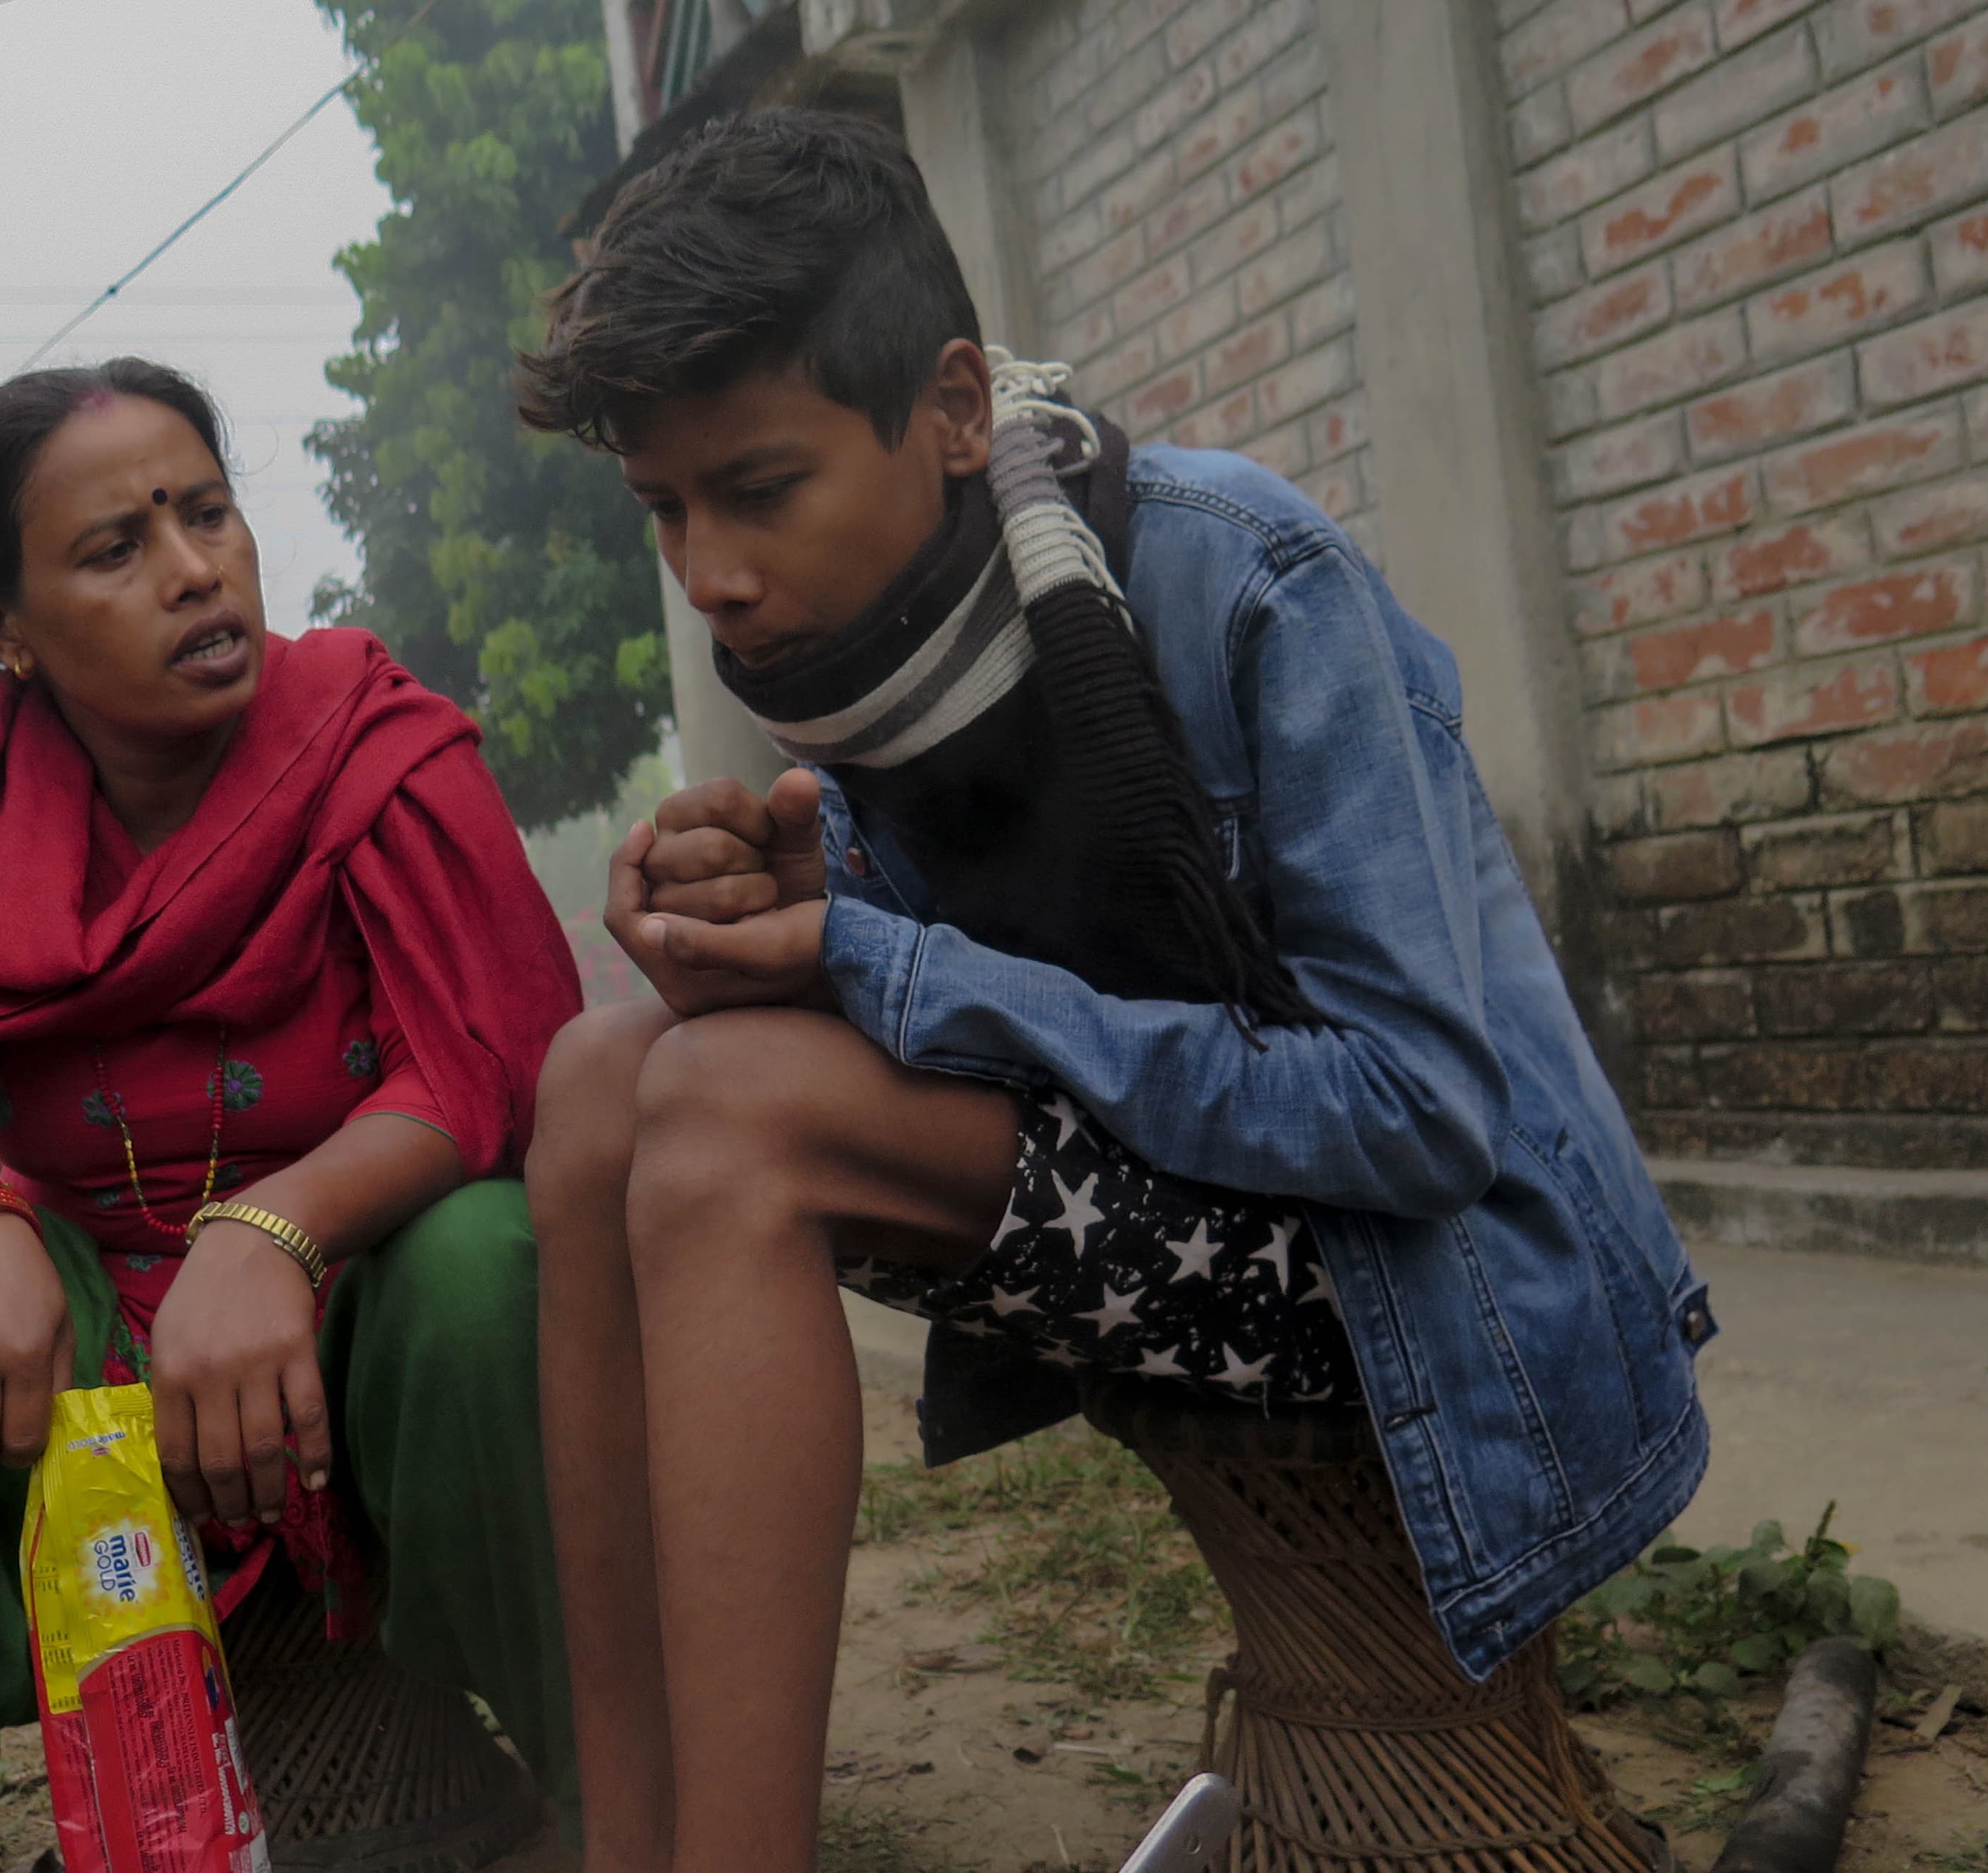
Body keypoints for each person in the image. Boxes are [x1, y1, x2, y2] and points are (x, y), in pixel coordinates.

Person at [516, 109, 1716, 1873]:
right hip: (1210, 1203)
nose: (711, 575)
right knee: (594, 1089)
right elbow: (1049, 955)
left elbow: (1418, 1116)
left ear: (948, 409)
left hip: (1448, 1279)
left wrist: (879, 958)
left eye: (757, 490)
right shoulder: (876, 659)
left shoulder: (1245, 579)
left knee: (717, 1119)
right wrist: (812, 889)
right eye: (666, 510)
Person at [0, 357, 583, 1872]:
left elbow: (495, 1061)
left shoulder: (378, 745)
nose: (195, 572)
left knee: (482, 1260)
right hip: (86, 1347)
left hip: (363, 1308)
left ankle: (638, 1800)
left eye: (209, 517)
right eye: (117, 549)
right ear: (6, 627)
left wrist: (279, 1226)